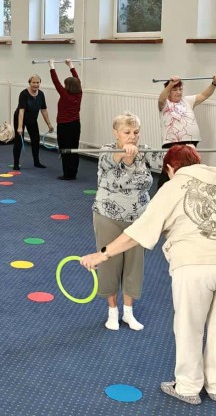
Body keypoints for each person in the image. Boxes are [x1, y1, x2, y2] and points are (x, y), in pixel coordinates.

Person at [81, 145, 216, 405]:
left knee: (190, 325)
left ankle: (187, 387)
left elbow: (139, 230)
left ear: (170, 168)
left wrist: (102, 254)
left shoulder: (172, 187)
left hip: (196, 261)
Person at [91, 112, 163, 332]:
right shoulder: (107, 151)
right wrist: (124, 154)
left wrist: (181, 150)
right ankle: (112, 312)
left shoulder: (145, 151)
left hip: (139, 220)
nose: (132, 137)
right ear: (116, 133)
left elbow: (167, 162)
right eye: (127, 132)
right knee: (110, 264)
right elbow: (110, 162)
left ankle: (128, 313)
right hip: (108, 217)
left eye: (136, 132)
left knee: (134, 266)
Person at [156, 74, 216, 187]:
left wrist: (214, 83)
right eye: (175, 90)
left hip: (190, 143)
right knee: (169, 172)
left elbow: (204, 95)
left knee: (189, 172)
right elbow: (161, 98)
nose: (179, 92)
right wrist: (171, 84)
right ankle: (161, 193)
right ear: (168, 91)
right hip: (172, 144)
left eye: (180, 89)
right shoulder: (165, 104)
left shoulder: (187, 100)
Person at [49, 59, 83, 180]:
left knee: (65, 149)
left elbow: (56, 82)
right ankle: (73, 173)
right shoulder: (79, 93)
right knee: (74, 149)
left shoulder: (65, 95)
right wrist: (70, 65)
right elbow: (77, 79)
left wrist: (51, 65)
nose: (63, 86)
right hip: (75, 125)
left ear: (68, 86)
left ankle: (67, 174)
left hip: (64, 126)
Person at [13, 74, 53, 171]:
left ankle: (36, 162)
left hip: (32, 119)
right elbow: (21, 111)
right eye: (33, 82)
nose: (35, 85)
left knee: (35, 139)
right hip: (20, 117)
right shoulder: (24, 94)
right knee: (19, 141)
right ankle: (16, 163)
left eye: (37, 82)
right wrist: (20, 127)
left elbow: (44, 110)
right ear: (29, 83)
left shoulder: (41, 94)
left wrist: (49, 124)